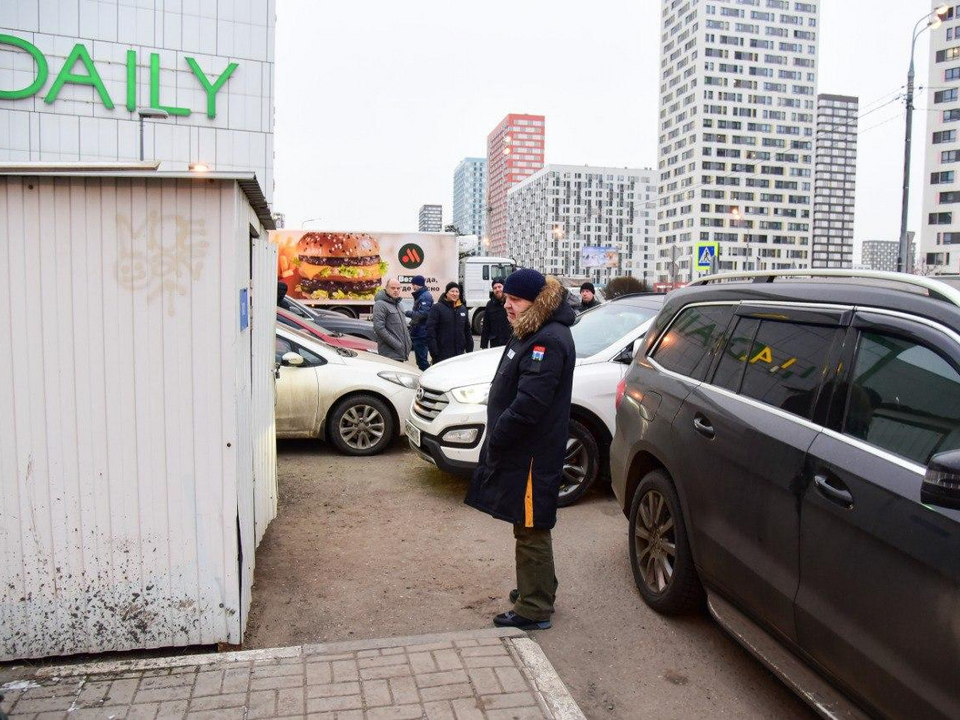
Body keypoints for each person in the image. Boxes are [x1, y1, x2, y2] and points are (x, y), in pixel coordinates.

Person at [464, 269, 576, 631]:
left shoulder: (549, 340)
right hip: (523, 450)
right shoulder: (533, 329)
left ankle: (535, 607)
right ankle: (538, 587)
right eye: (506, 299)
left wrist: (498, 436)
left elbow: (530, 404)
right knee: (525, 523)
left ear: (535, 301)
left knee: (531, 526)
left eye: (514, 300)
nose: (507, 305)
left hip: (531, 453)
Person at [426, 281, 473, 363]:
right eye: (452, 291)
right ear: (446, 293)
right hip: (442, 355)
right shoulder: (437, 308)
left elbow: (467, 330)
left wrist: (469, 349)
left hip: (459, 353)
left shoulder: (462, 309)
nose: (454, 294)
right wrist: (434, 352)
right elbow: (430, 331)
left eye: (457, 291)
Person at [372, 278, 413, 363]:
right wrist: (396, 344)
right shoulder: (380, 304)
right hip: (389, 354)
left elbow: (403, 327)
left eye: (398, 288)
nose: (396, 290)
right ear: (386, 288)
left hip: (400, 353)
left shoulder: (399, 305)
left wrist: (409, 343)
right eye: (393, 288)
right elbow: (379, 328)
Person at [405, 275, 434, 371]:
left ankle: (427, 377)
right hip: (419, 330)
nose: (412, 287)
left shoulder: (425, 296)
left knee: (422, 360)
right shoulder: (422, 295)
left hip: (421, 332)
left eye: (413, 284)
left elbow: (423, 314)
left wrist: (407, 313)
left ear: (418, 284)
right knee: (420, 360)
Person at [480, 278, 511, 349]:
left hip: (509, 342)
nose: (497, 289)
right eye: (495, 288)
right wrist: (483, 346)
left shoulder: (510, 302)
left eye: (499, 287)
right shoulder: (490, 305)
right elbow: (486, 327)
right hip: (495, 343)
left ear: (504, 287)